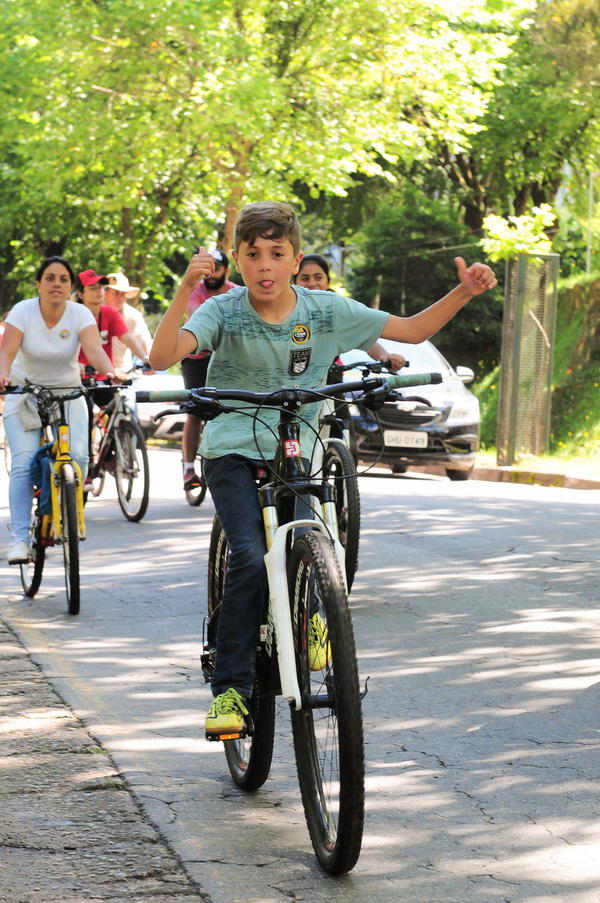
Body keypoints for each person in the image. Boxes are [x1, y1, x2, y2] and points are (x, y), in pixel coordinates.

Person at [149, 201, 497, 737]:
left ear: (294, 260)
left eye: (277, 254)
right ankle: (232, 689)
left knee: (314, 542)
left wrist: (465, 293)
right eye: (253, 254)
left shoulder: (325, 310)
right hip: (233, 450)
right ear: (238, 261)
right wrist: (184, 287)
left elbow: (409, 328)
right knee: (249, 554)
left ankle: (312, 612)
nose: (265, 265)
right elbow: (161, 355)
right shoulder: (223, 310)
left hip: (296, 446)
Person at [0, 257, 118, 563]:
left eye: (64, 279)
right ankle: (20, 539)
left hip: (68, 392)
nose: (57, 284)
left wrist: (112, 373)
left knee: (78, 458)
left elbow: (94, 351)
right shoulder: (22, 312)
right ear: (38, 284)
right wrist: (3, 376)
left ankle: (64, 511)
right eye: (50, 278)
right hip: (24, 393)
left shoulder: (79, 313)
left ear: (71, 288)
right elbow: (8, 352)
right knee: (24, 465)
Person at [75, 269, 148, 489]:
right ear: (80, 293)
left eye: (101, 288)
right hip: (78, 377)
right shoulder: (74, 314)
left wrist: (145, 359)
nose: (99, 292)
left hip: (105, 375)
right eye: (92, 288)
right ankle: (86, 467)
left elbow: (128, 338)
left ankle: (110, 454)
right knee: (85, 414)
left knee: (119, 407)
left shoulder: (110, 313)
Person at [179, 249, 235, 492]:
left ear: (227, 270)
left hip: (229, 358)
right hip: (197, 357)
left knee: (233, 408)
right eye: (208, 268)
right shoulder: (196, 291)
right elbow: (195, 315)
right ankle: (189, 466)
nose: (212, 274)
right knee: (195, 410)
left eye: (218, 268)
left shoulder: (235, 291)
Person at [293, 252, 407, 371]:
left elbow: (364, 336)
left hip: (331, 384)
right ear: (294, 283)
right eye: (305, 278)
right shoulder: (284, 312)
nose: (312, 283)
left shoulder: (338, 311)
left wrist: (386, 358)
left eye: (318, 277)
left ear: (328, 281)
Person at [104, 272, 153, 371]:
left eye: (123, 294)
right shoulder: (94, 311)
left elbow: (143, 340)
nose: (120, 297)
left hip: (123, 372)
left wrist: (150, 361)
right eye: (116, 293)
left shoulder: (133, 315)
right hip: (93, 372)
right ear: (105, 292)